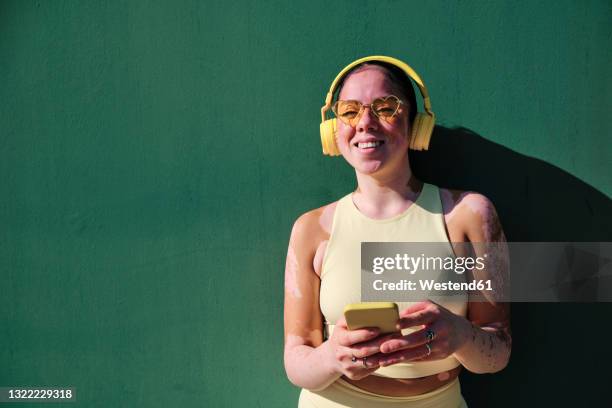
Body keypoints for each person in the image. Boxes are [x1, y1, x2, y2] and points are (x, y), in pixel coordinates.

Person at [283, 56, 511, 407]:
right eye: (349, 110)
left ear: (416, 124)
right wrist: (332, 356)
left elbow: (499, 349)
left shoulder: (470, 215)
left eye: (385, 106)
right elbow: (296, 359)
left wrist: (462, 337)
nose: (365, 122)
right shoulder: (311, 229)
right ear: (332, 129)